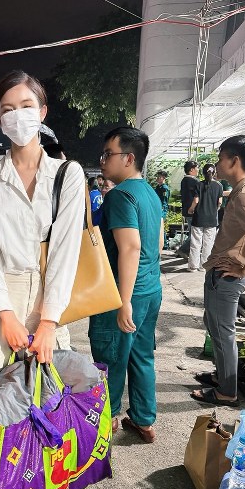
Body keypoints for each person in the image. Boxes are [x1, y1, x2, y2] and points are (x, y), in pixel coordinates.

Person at [0, 70, 85, 489]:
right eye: (7, 109)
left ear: (43, 112)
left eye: (26, 106)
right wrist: (4, 312)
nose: (17, 115)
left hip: (50, 294)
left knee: (45, 394)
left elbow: (66, 252)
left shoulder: (68, 174)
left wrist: (48, 321)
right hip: (0, 291)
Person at [88, 126, 163, 444]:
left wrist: (124, 301)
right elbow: (158, 244)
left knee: (110, 357)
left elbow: (130, 247)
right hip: (150, 289)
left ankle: (107, 420)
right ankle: (144, 420)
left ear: (129, 158)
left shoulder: (119, 196)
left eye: (109, 154)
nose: (102, 160)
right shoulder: (150, 194)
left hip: (121, 293)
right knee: (141, 356)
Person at [191, 135, 245, 407]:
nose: (216, 163)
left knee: (223, 332)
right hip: (222, 271)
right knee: (215, 326)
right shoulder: (240, 189)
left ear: (234, 160)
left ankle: (227, 391)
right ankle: (222, 377)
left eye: (220, 158)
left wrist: (243, 268)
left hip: (227, 276)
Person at [187, 164, 222, 272]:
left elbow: (196, 200)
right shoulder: (219, 186)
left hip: (198, 217)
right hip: (211, 219)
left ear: (203, 172)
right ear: (214, 172)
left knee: (195, 242)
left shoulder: (198, 184)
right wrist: (215, 210)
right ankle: (204, 266)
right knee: (208, 243)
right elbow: (220, 202)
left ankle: (193, 266)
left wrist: (191, 209)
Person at [177, 160, 200, 258]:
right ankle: (183, 250)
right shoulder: (194, 181)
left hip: (187, 210)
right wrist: (192, 208)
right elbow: (196, 198)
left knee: (193, 232)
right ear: (191, 170)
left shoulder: (184, 180)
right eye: (197, 168)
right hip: (192, 210)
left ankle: (185, 251)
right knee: (195, 233)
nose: (198, 170)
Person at [154, 170, 170, 250]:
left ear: (163, 178)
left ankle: (164, 244)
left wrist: (162, 209)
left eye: (159, 177)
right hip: (157, 207)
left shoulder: (164, 188)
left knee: (160, 225)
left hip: (162, 209)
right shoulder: (158, 187)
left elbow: (164, 201)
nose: (157, 178)